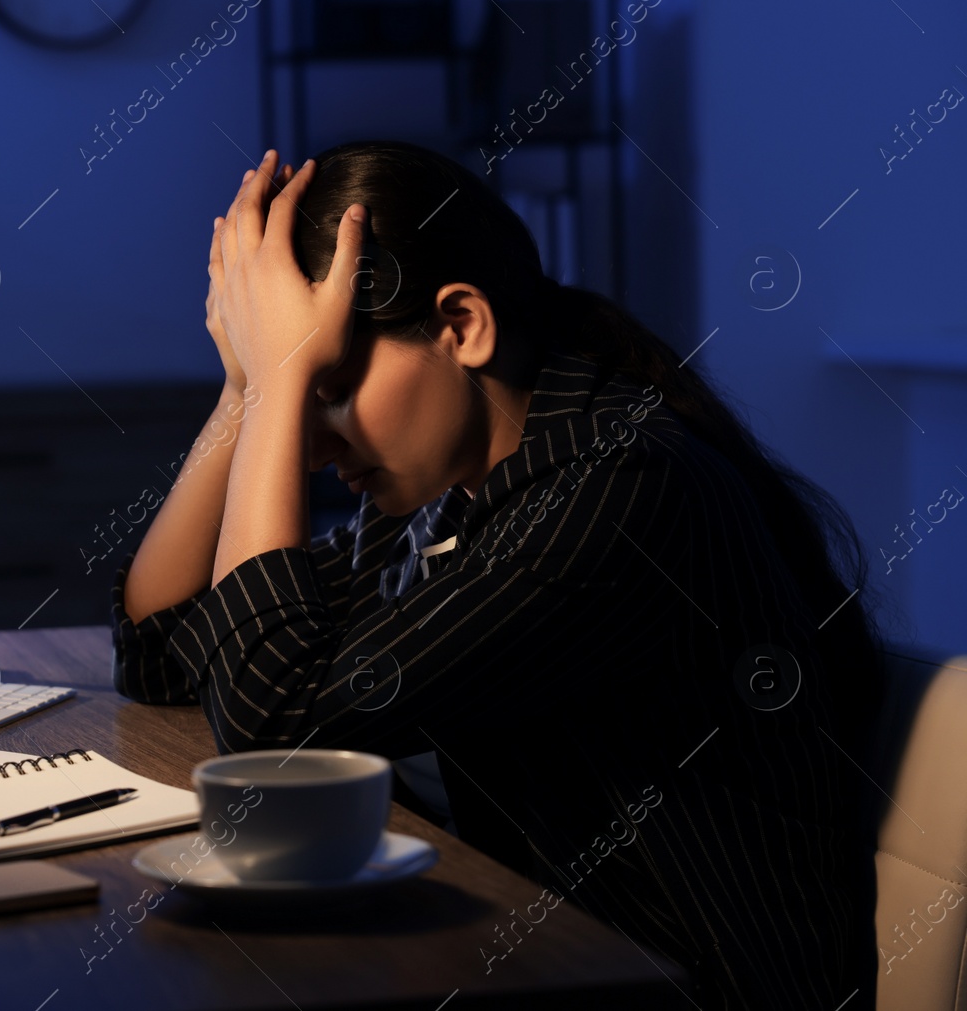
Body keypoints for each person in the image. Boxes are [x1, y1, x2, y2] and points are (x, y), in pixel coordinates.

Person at [108, 141, 883, 1008]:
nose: (310, 446)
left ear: (463, 325)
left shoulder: (622, 487)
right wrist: (246, 387)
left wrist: (281, 380)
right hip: (540, 960)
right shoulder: (448, 500)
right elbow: (164, 649)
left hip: (689, 989)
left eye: (329, 386)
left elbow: (272, 726)